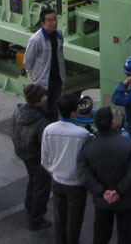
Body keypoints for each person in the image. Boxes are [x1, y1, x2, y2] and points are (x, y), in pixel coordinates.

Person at [78, 106, 131, 244]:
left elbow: (84, 174)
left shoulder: (88, 147)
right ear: (112, 122)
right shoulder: (129, 144)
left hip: (102, 201)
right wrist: (119, 190)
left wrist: (102, 192)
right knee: (125, 234)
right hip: (126, 199)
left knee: (101, 234)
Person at [41, 93, 91, 244]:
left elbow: (45, 159)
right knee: (74, 221)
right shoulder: (83, 134)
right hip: (76, 185)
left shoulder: (49, 130)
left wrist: (55, 172)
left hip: (57, 181)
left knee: (59, 218)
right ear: (74, 112)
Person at [12, 83, 53, 230]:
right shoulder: (41, 122)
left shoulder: (18, 112)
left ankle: (29, 207)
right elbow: (46, 144)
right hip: (36, 157)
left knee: (33, 180)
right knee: (41, 187)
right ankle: (36, 219)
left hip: (23, 153)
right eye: (43, 96)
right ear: (38, 100)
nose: (46, 97)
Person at [24, 7, 66, 114]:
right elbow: (28, 61)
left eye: (55, 19)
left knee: (55, 108)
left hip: (57, 79)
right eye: (50, 20)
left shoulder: (59, 34)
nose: (54, 23)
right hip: (43, 82)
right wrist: (35, 77)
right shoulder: (36, 40)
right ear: (43, 23)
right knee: (43, 110)